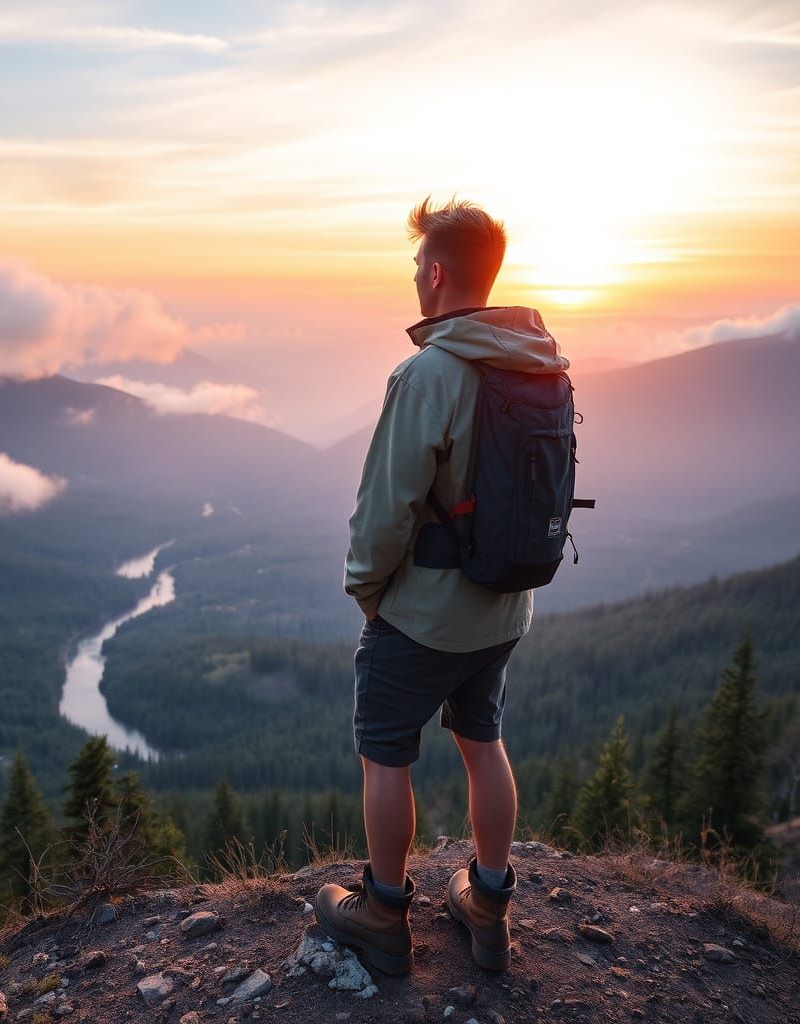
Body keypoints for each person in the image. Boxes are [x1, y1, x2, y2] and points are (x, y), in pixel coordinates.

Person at [314, 197, 570, 975]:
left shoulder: (429, 372)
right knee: (482, 740)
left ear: (433, 272)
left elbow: (387, 505)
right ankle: (488, 903)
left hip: (423, 613)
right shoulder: (535, 361)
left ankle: (383, 915)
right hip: (505, 605)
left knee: (386, 752)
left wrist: (367, 589)